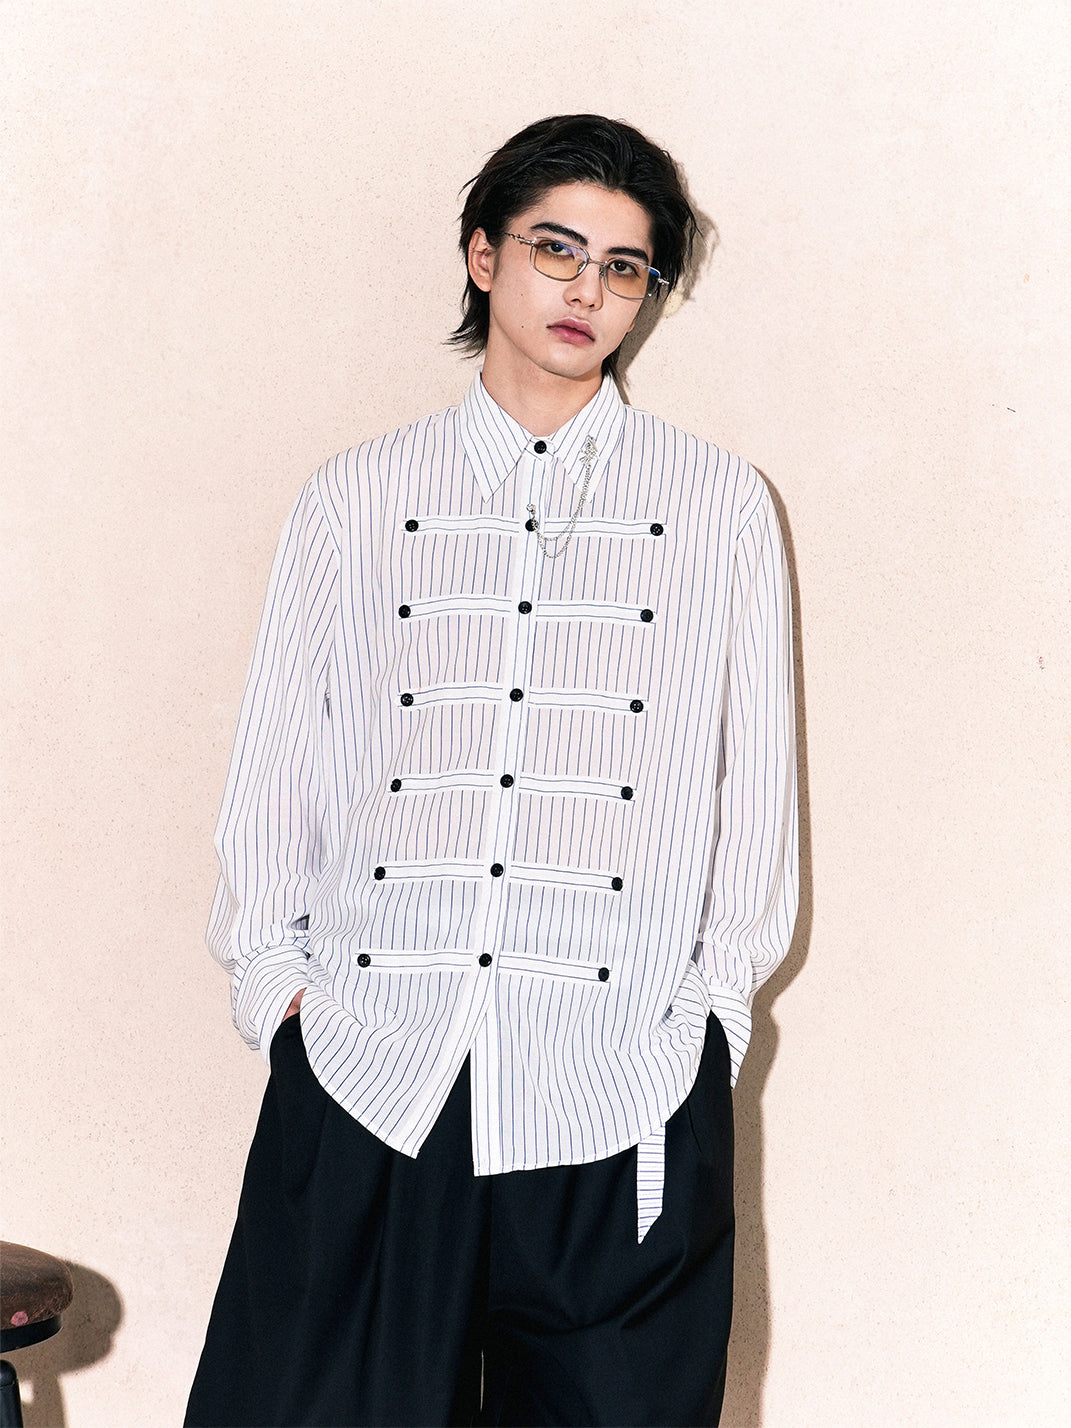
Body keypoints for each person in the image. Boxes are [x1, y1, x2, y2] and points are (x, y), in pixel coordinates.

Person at [186, 113, 798, 1428]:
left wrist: (709, 1026)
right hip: (373, 1071)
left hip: (617, 1086)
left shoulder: (719, 508)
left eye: (625, 267)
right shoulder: (357, 497)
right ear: (483, 255)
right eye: (555, 249)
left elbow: (755, 803)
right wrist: (280, 996)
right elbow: (277, 770)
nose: (588, 290)